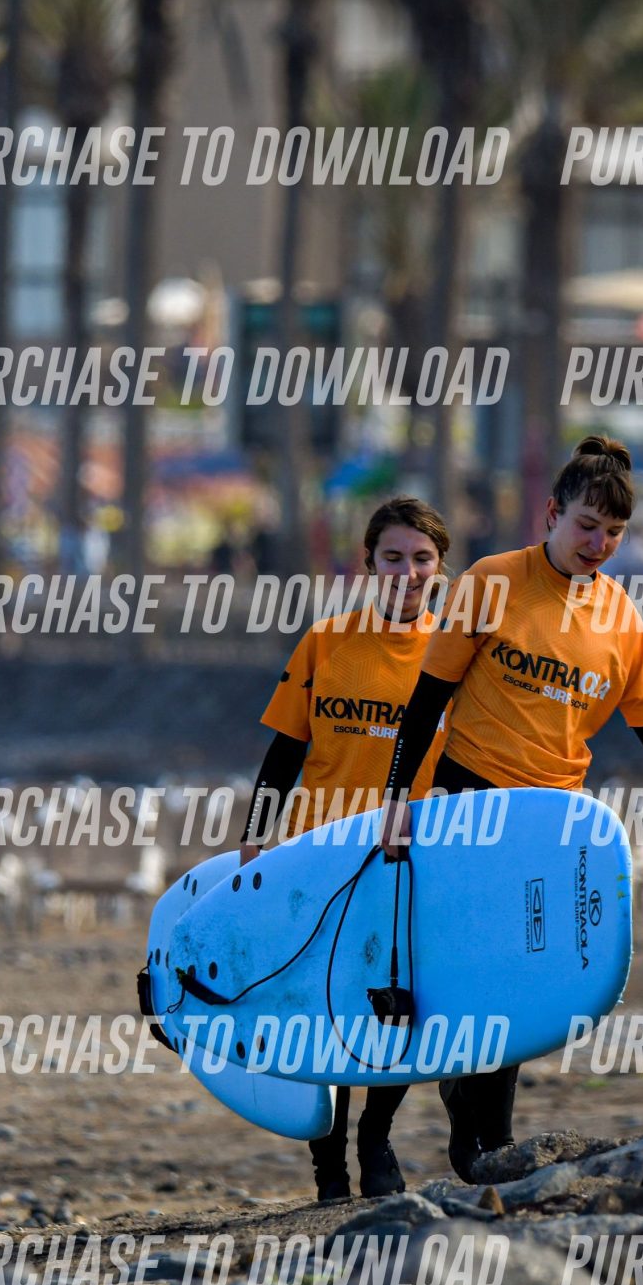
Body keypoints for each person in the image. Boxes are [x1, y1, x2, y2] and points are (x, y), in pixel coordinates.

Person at [379, 436, 643, 1180]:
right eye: (587, 526)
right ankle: (470, 1133)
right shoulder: (493, 582)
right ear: (552, 513)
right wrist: (399, 799)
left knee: (526, 974)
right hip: (470, 801)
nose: (599, 544)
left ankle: (481, 1126)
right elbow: (426, 700)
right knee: (471, 967)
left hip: (553, 820)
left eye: (614, 533)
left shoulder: (620, 618)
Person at [240, 495, 453, 1201]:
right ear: (367, 563)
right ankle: (327, 1163)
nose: (406, 572)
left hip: (407, 858)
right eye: (392, 557)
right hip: (318, 853)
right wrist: (255, 838)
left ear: (440, 568)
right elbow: (284, 750)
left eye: (421, 558)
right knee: (319, 1005)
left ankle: (376, 1134)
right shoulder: (326, 641)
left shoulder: (453, 654)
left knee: (399, 1000)